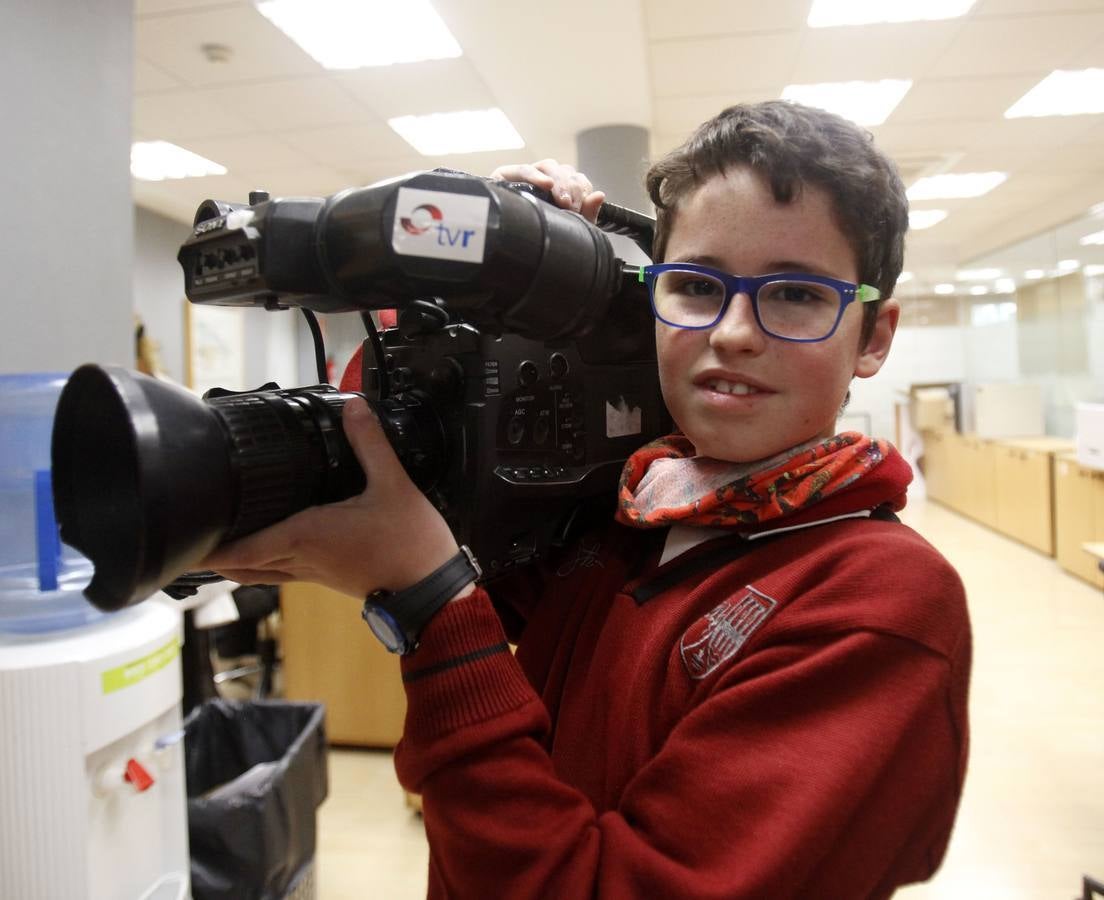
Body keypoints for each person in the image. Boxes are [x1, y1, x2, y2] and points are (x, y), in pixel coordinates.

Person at [204, 101, 971, 899]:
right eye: (695, 285)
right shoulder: (639, 509)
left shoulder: (881, 601)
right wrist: (493, 289)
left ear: (873, 336)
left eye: (797, 295)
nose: (734, 333)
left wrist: (429, 601)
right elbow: (458, 555)